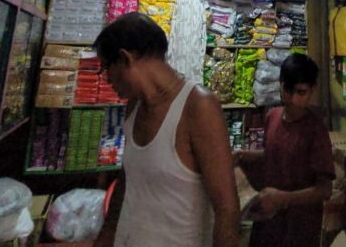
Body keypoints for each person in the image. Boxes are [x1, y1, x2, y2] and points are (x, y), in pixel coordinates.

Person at [92, 13, 239, 247]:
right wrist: (106, 235)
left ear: (125, 58)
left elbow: (227, 210)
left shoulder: (198, 107)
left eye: (105, 68)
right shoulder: (134, 106)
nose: (106, 79)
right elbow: (128, 178)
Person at [235, 53, 334, 247]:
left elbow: (325, 189)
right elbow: (276, 154)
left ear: (313, 89)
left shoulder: (316, 130)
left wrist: (283, 199)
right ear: (280, 85)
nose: (293, 99)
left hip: (300, 228)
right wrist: (243, 155)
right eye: (288, 90)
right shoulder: (272, 116)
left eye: (301, 92)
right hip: (267, 224)